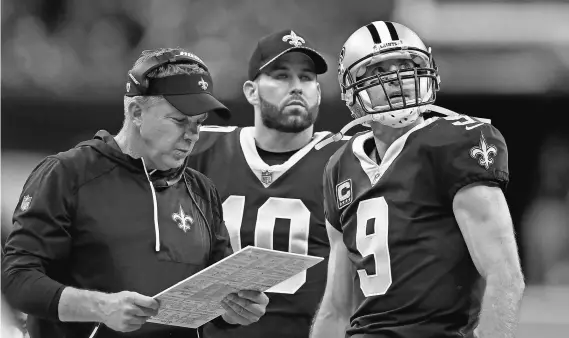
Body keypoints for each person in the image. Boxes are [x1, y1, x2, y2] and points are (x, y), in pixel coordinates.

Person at [1, 47, 269, 338]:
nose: (192, 134)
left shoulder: (201, 189)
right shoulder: (67, 174)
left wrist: (235, 311)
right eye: (180, 121)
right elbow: (17, 280)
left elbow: (215, 298)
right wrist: (101, 307)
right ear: (136, 111)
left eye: (199, 123)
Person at [310, 21, 525, 338]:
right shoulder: (340, 166)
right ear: (351, 88)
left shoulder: (455, 141)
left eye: (408, 65)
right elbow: (336, 307)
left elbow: (504, 276)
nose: (399, 78)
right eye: (381, 68)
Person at [188, 30, 347, 338]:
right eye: (281, 76)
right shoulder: (199, 149)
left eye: (307, 77)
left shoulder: (347, 157)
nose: (297, 87)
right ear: (251, 91)